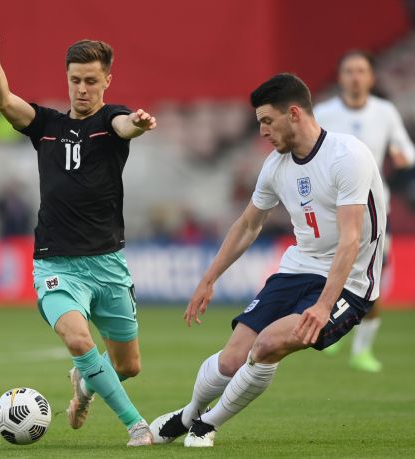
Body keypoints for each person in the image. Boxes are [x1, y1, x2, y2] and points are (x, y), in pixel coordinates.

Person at [149, 73, 386, 448]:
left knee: (267, 346)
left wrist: (324, 305)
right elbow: (247, 225)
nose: (262, 131)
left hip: (350, 283)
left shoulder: (347, 155)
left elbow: (350, 239)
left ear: (294, 113)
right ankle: (189, 414)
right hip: (298, 269)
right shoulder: (275, 166)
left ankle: (207, 424)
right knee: (231, 360)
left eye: (267, 121)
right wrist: (209, 278)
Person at [0, 13, 157, 446]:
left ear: (107, 81)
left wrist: (138, 124)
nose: (82, 89)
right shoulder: (47, 126)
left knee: (127, 366)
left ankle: (84, 383)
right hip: (56, 264)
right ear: (67, 79)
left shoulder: (112, 121)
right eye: (75, 80)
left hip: (107, 263)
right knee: (77, 339)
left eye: (91, 81)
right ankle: (136, 426)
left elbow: (126, 125)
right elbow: (3, 101)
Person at [313, 50, 415, 372]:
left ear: (371, 77)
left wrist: (403, 156)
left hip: (374, 207)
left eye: (361, 71)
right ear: (340, 77)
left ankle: (362, 350)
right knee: (333, 272)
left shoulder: (384, 112)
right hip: (333, 207)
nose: (355, 77)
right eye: (349, 71)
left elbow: (407, 148)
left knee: (373, 279)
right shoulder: (324, 113)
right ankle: (336, 325)